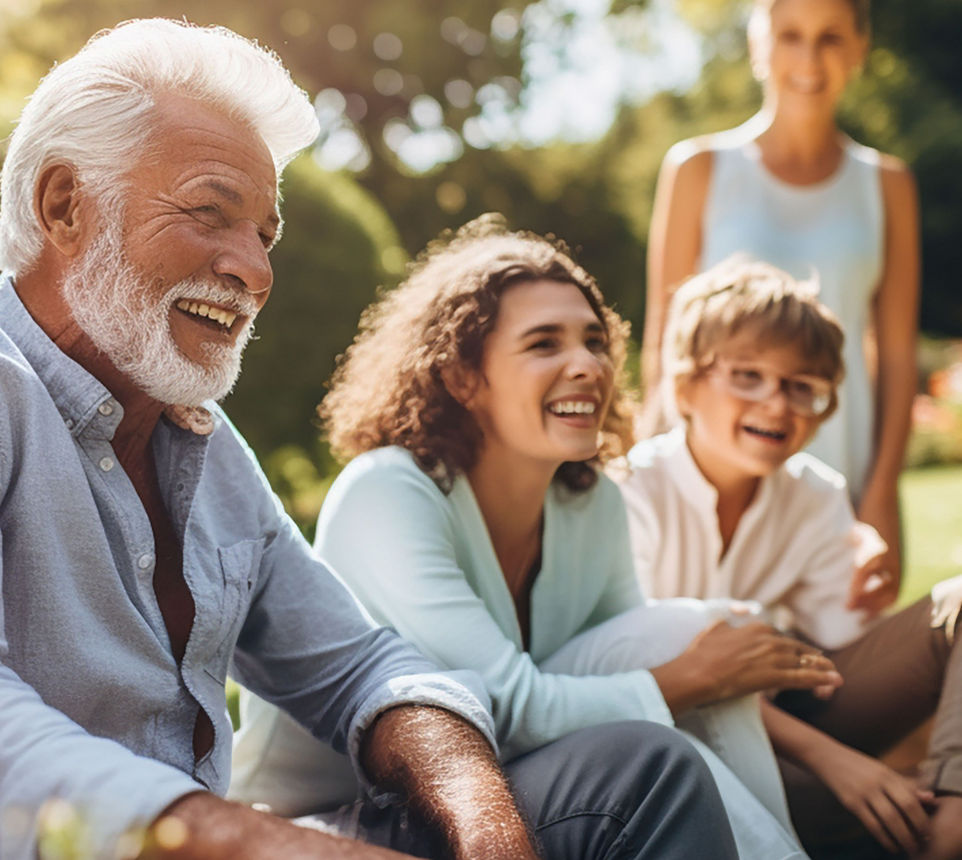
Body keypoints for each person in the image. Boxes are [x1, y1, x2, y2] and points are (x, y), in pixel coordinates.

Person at [0, 19, 731, 860]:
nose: (251, 270)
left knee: (635, 772)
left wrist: (483, 820)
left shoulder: (205, 453)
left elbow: (362, 667)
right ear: (63, 207)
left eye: (265, 233)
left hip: (215, 836)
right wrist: (242, 838)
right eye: (210, 214)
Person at [231, 214, 844, 859]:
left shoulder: (592, 500)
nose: (586, 364)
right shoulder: (387, 493)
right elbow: (500, 707)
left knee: (692, 639)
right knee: (670, 716)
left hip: (502, 777)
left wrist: (699, 669)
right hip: (345, 817)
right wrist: (688, 679)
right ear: (462, 377)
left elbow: (636, 657)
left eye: (595, 341)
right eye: (544, 344)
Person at [622, 257, 962, 860]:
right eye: (747, 376)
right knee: (869, 813)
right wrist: (837, 763)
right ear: (685, 386)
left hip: (786, 718)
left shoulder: (814, 492)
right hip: (672, 740)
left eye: (802, 386)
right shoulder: (632, 490)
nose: (777, 404)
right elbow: (654, 678)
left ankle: (949, 816)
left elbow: (836, 662)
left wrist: (867, 589)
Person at [640, 0, 919, 611]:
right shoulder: (698, 168)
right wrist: (652, 470)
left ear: (858, 49)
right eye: (790, 36)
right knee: (710, 661)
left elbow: (896, 352)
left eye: (829, 38)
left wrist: (879, 494)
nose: (809, 59)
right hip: (714, 481)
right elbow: (666, 335)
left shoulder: (887, 184)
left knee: (841, 682)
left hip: (843, 466)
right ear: (756, 46)